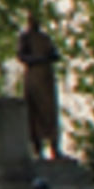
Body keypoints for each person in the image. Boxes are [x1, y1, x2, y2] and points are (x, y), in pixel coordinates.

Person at [17, 21, 63, 163]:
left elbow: (55, 53)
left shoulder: (45, 38)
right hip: (34, 78)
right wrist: (38, 59)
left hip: (47, 78)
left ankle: (55, 148)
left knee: (50, 112)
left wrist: (51, 56)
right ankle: (38, 149)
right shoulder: (25, 37)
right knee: (34, 112)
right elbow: (21, 56)